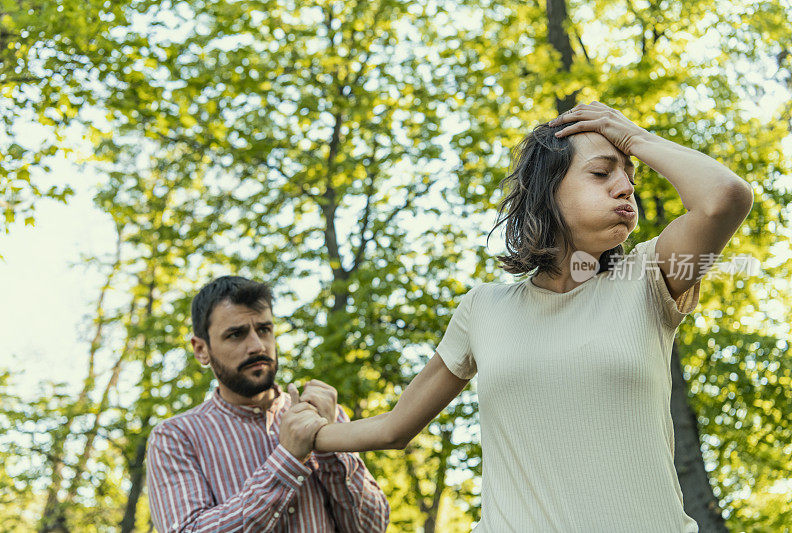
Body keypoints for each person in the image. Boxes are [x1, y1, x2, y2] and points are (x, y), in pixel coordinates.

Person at [311, 102, 754, 532]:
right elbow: (394, 428)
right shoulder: (483, 309)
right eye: (602, 173)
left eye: (629, 178)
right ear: (548, 190)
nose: (625, 187)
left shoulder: (648, 277)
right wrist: (311, 435)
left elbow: (725, 198)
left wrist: (635, 138)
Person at [146, 276, 390, 532]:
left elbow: (372, 528)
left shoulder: (320, 414)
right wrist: (287, 459)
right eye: (236, 334)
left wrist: (332, 448)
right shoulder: (174, 437)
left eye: (264, 329)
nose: (257, 345)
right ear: (200, 349)